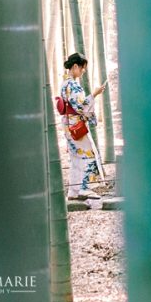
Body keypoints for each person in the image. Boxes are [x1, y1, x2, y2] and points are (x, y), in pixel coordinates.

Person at [60, 52, 107, 200]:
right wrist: (94, 94)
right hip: (76, 125)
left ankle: (73, 191)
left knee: (75, 158)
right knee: (88, 155)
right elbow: (80, 106)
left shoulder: (65, 83)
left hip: (68, 124)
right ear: (75, 66)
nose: (83, 71)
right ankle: (84, 188)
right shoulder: (73, 85)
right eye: (82, 68)